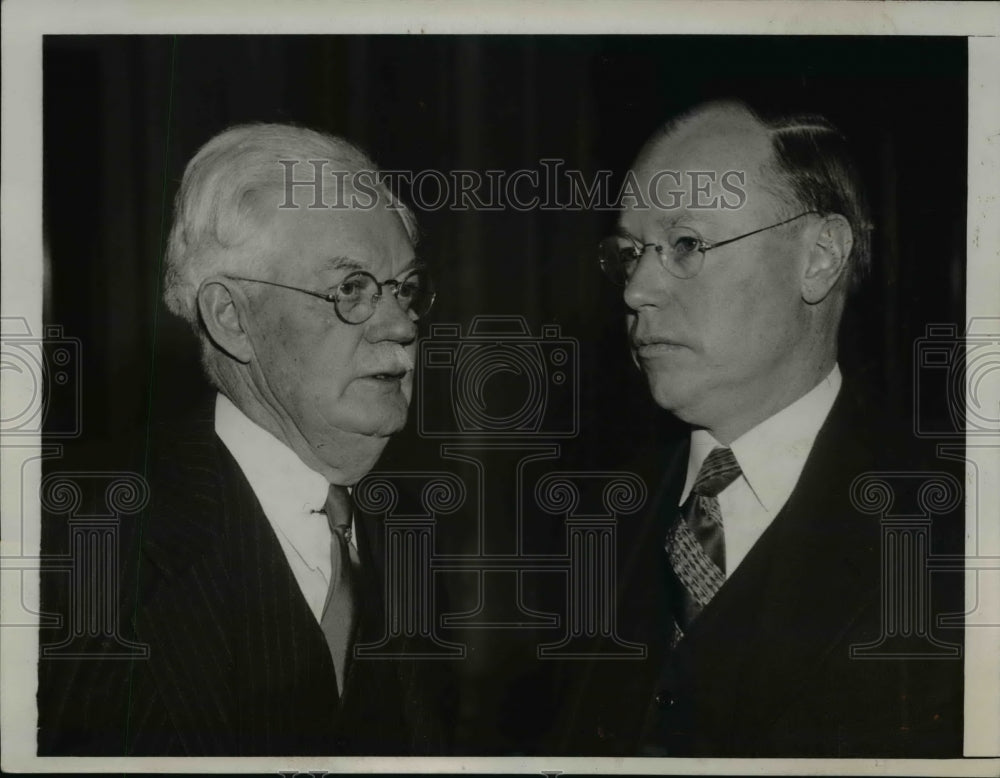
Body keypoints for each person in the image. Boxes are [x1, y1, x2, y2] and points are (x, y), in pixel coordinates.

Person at [556, 100, 963, 757]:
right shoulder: (595, 520)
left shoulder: (958, 536)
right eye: (629, 254)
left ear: (819, 257)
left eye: (686, 244)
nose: (636, 289)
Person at [37, 123, 448, 755]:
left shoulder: (406, 538)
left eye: (406, 289)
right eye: (351, 290)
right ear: (232, 318)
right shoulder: (89, 542)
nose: (400, 324)